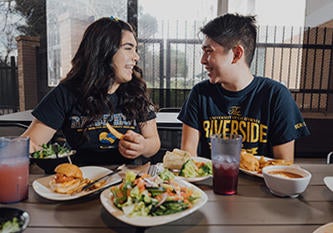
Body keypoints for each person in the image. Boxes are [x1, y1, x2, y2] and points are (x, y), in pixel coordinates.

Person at [22, 17, 161, 165]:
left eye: (135, 49)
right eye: (128, 48)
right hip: (79, 182)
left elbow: (154, 142)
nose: (136, 57)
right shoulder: (65, 93)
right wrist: (17, 149)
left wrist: (143, 146)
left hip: (126, 182)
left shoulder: (137, 92)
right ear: (104, 51)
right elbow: (31, 143)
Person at [178, 13, 310, 162]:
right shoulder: (200, 93)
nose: (203, 60)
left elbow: (283, 165)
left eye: (209, 51)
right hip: (211, 183)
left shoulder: (276, 95)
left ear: (236, 54)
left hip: (260, 185)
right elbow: (188, 156)